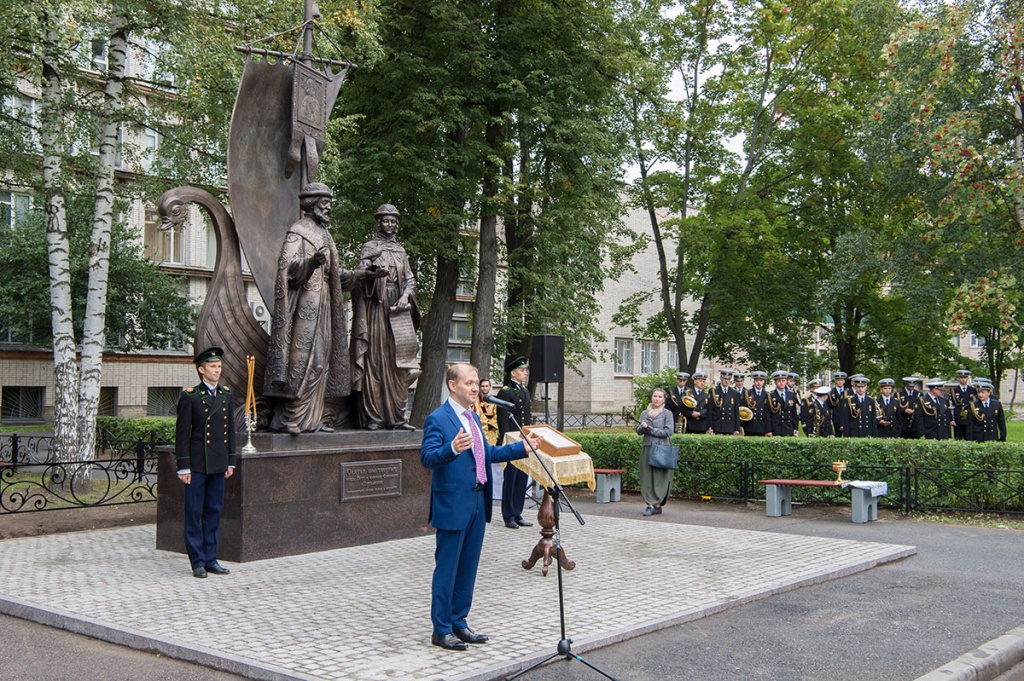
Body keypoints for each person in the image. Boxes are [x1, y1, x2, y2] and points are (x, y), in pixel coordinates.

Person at [420, 363, 542, 651]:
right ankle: (441, 629)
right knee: (447, 568)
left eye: (477, 383)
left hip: (477, 500)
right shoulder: (438, 419)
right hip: (452, 504)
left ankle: (459, 622)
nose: (475, 388)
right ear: (453, 385)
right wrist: (451, 449)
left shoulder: (472, 418)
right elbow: (427, 458)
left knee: (468, 567)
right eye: (469, 383)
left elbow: (488, 454)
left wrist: (523, 448)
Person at [264, 183, 385, 434]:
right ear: (311, 204)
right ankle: (289, 420)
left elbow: (335, 276)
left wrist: (364, 275)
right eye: (324, 203)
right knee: (302, 362)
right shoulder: (298, 232)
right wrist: (310, 262)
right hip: (303, 313)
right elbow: (287, 270)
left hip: (325, 310)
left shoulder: (325, 235)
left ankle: (312, 419)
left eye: (330, 202)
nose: (329, 208)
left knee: (320, 362)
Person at [350, 204, 420, 431]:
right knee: (376, 360)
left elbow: (410, 279)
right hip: (376, 308)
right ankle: (373, 417)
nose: (390, 225)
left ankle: (397, 418)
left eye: (393, 221)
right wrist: (372, 275)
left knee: (397, 361)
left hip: (397, 309)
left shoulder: (400, 250)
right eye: (386, 220)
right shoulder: (369, 248)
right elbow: (359, 275)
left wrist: (405, 297)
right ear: (378, 222)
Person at [175, 346, 236, 579]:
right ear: (202, 370)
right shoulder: (190, 396)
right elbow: (182, 435)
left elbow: (230, 431)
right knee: (193, 512)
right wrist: (183, 466)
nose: (217, 370)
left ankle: (211, 559)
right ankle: (197, 561)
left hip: (218, 464)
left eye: (219, 366)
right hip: (197, 464)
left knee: (213, 511)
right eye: (212, 366)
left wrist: (231, 462)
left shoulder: (226, 395)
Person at [497, 356, 534, 529]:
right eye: (522, 370)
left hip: (524, 441)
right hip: (512, 442)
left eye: (526, 370)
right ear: (513, 373)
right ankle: (508, 515)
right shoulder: (506, 392)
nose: (525, 373)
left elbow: (527, 418)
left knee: (521, 477)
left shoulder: (525, 391)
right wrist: (506, 443)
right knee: (511, 478)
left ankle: (518, 512)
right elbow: (503, 421)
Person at [636, 387, 676, 516]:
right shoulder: (644, 413)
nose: (657, 399)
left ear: (663, 399)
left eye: (659, 397)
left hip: (661, 448)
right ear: (651, 397)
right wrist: (642, 428)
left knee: (660, 478)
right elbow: (638, 431)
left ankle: (658, 504)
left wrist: (651, 430)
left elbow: (668, 431)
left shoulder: (667, 413)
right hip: (647, 446)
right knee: (646, 476)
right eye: (655, 396)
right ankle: (649, 504)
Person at [766, 370, 799, 437]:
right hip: (775, 428)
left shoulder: (791, 394)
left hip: (788, 427)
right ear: (775, 383)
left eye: (783, 381)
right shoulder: (770, 395)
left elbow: (794, 413)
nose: (781, 383)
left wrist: (795, 428)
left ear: (786, 382)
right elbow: (768, 415)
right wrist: (768, 430)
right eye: (779, 381)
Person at [709, 369, 740, 435]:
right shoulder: (714, 391)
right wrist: (710, 426)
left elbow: (736, 411)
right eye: (724, 378)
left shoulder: (734, 392)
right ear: (720, 378)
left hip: (730, 425)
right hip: (717, 425)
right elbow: (710, 410)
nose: (726, 381)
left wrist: (737, 428)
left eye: (728, 379)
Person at [949, 369, 977, 440]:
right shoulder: (953, 390)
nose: (963, 379)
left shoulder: (973, 390)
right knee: (958, 439)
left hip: (969, 418)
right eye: (961, 377)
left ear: (967, 378)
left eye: (965, 377)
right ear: (958, 378)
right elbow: (950, 405)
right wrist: (951, 419)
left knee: (969, 439)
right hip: (958, 418)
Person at [742, 371, 770, 436]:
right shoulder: (747, 393)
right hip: (749, 426)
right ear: (753, 381)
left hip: (762, 426)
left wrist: (768, 429)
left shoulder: (767, 395)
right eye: (756, 380)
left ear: (764, 382)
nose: (759, 383)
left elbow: (768, 414)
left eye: (761, 380)